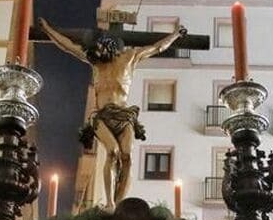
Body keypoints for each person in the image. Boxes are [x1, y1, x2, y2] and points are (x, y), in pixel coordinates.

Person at [40, 17, 187, 206]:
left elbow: (157, 47)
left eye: (100, 50)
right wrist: (48, 29)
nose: (96, 54)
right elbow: (68, 46)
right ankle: (110, 203)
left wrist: (175, 35)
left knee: (128, 157)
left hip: (124, 116)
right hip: (102, 117)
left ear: (110, 47)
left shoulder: (130, 57)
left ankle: (119, 204)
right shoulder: (96, 63)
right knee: (113, 151)